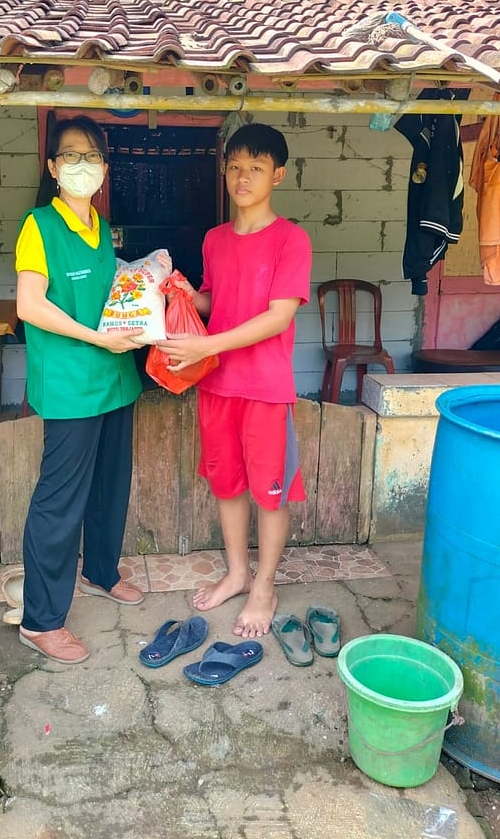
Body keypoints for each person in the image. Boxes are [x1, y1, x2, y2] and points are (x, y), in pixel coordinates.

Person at [156, 123, 312, 638]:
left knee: (269, 492)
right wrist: (184, 294)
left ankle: (265, 586)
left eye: (257, 168)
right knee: (227, 485)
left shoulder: (291, 239)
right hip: (217, 384)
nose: (243, 178)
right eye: (236, 167)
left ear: (278, 175)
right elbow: (215, 302)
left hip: (265, 387)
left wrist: (207, 346)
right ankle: (238, 573)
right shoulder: (214, 239)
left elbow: (278, 317)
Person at [14, 114, 147, 665]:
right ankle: (40, 620)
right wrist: (97, 338)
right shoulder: (39, 226)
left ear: (104, 168)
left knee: (111, 485)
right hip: (71, 383)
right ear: (52, 166)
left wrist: (150, 289)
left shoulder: (101, 227)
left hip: (114, 377)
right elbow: (30, 305)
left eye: (91, 156)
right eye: (70, 155)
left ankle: (100, 571)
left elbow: (110, 294)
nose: (81, 166)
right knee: (60, 500)